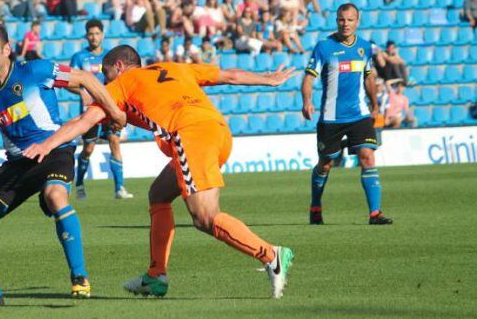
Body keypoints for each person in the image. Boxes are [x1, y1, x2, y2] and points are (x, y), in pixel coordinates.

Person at [23, 46, 296, 299]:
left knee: (204, 217)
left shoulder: (121, 85)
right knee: (159, 194)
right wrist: (267, 80)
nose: (105, 83)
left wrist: (47, 144)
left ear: (118, 66)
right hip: (216, 130)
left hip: (189, 135)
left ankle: (271, 255)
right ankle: (156, 276)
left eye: (106, 74)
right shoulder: (174, 67)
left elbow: (83, 121)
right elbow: (229, 76)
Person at [0, 22, 125, 306]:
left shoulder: (36, 71)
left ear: (7, 49)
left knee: (54, 195)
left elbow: (87, 80)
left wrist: (114, 111)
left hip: (55, 150)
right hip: (18, 164)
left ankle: (79, 277)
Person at [302, 3, 393, 226]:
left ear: (357, 21)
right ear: (337, 20)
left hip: (359, 115)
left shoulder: (364, 47)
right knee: (325, 164)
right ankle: (315, 205)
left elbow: (369, 76)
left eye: (350, 20)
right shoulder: (324, 47)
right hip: (331, 118)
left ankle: (375, 213)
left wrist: (374, 104)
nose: (346, 24)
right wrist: (307, 101)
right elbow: (308, 78)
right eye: (342, 19)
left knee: (368, 157)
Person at [69, 19, 132, 200]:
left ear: (102, 35)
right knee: (88, 148)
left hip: (110, 108)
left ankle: (119, 188)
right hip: (91, 110)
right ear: (86, 36)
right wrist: (82, 90)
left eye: (97, 33)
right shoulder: (79, 57)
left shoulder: (111, 57)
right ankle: (80, 184)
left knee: (114, 142)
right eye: (90, 34)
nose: (94, 37)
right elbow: (67, 80)